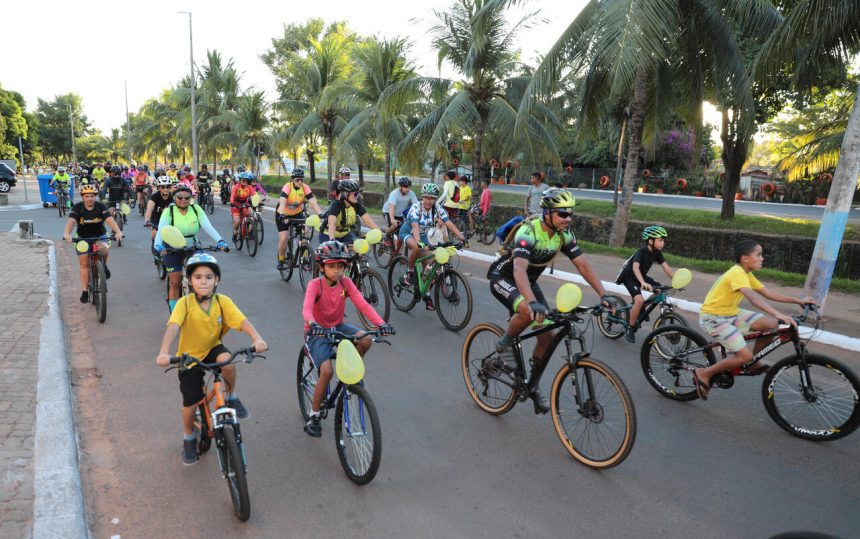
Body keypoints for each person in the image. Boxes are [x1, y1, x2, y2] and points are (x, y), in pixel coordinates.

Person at [487, 189, 612, 414]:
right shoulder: (528, 231)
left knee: (547, 335)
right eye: (562, 214)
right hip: (504, 277)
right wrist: (533, 302)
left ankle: (531, 385)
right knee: (527, 311)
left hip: (528, 281)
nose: (568, 219)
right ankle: (503, 344)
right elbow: (518, 268)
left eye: (570, 214)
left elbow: (583, 265)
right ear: (547, 213)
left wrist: (603, 294)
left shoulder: (564, 235)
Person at [154, 253, 267, 464]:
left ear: (217, 280)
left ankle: (231, 396)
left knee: (228, 361)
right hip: (188, 357)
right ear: (189, 280)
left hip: (212, 347)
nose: (203, 281)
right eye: (198, 277)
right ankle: (188, 437)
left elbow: (241, 320)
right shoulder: (184, 304)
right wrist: (164, 352)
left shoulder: (222, 302)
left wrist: (257, 338)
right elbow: (173, 327)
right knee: (191, 402)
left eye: (208, 277)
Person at [692, 240, 814, 400]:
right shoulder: (737, 273)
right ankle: (704, 373)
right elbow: (754, 299)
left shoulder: (746, 274)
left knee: (771, 325)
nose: (762, 258)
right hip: (714, 318)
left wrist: (799, 301)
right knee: (745, 355)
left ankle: (751, 361)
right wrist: (779, 314)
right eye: (758, 255)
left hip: (731, 313)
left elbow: (768, 293)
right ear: (745, 259)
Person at [302, 241, 394, 437]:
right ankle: (314, 415)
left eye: (341, 266)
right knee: (326, 371)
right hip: (316, 332)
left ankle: (352, 373)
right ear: (321, 266)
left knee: (365, 339)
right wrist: (313, 324)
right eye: (332, 266)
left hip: (338, 327)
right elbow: (307, 309)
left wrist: (381, 324)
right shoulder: (315, 285)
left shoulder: (346, 283)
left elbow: (363, 305)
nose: (337, 271)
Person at [153, 184, 228, 312]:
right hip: (172, 247)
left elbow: (208, 226)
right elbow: (161, 229)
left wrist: (220, 240)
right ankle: (175, 314)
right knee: (174, 282)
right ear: (174, 198)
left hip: (193, 245)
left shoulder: (196, 209)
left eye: (186, 197)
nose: (183, 200)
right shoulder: (169, 211)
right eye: (180, 197)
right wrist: (158, 245)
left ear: (190, 198)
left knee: (203, 273)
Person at [398, 183, 467, 310]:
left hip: (424, 237)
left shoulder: (438, 209)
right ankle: (410, 272)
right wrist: (419, 242)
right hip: (408, 233)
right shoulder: (416, 207)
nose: (429, 201)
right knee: (417, 248)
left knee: (430, 266)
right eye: (426, 197)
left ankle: (427, 295)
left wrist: (461, 237)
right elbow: (414, 226)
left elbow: (448, 223)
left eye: (432, 198)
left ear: (435, 199)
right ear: (422, 197)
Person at [62, 184, 124, 303]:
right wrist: (67, 233)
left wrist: (118, 232)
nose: (89, 199)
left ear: (95, 197)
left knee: (104, 250)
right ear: (82, 197)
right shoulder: (78, 207)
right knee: (84, 264)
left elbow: (109, 220)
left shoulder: (100, 207)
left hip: (100, 236)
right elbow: (71, 221)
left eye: (92, 196)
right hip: (82, 238)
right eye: (87, 196)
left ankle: (103, 267)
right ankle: (85, 291)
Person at [615, 226, 676, 343]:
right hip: (629, 276)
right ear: (650, 241)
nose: (663, 242)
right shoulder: (641, 251)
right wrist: (642, 282)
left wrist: (676, 280)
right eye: (660, 240)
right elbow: (635, 267)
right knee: (639, 300)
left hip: (641, 276)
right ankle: (630, 328)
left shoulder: (657, 253)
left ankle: (641, 308)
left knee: (660, 290)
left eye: (663, 240)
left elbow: (666, 267)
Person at [276, 168, 322, 271]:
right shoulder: (287, 187)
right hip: (283, 214)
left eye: (302, 179)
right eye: (297, 180)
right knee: (284, 238)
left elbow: (312, 202)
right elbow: (282, 201)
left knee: (305, 232)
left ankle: (304, 256)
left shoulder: (305, 187)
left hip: (297, 213)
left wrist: (320, 214)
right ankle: (281, 259)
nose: (300, 182)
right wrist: (282, 214)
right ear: (292, 179)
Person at [322, 179, 380, 244]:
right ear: (345, 194)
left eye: (358, 193)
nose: (357, 196)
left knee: (359, 250)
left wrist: (380, 234)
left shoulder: (356, 205)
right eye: (355, 194)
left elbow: (369, 221)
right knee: (335, 252)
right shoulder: (336, 205)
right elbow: (331, 223)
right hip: (327, 235)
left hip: (345, 235)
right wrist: (332, 240)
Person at [382, 176, 419, 255]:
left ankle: (398, 254)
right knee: (394, 225)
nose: (407, 189)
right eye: (405, 187)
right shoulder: (394, 193)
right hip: (388, 212)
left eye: (408, 187)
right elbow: (391, 206)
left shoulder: (411, 193)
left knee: (402, 233)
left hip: (399, 214)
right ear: (401, 187)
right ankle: (385, 236)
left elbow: (416, 205)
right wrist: (392, 219)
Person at [144, 176, 175, 244]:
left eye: (168, 186)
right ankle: (154, 246)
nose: (165, 189)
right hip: (156, 218)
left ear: (170, 187)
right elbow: (149, 210)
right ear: (159, 188)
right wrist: (147, 221)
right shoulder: (154, 196)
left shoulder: (174, 196)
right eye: (163, 187)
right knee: (154, 234)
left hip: (169, 218)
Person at [229, 172, 256, 241]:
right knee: (237, 221)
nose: (245, 182)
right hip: (235, 206)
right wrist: (232, 203)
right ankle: (235, 233)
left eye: (246, 180)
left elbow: (254, 195)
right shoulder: (236, 187)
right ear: (240, 180)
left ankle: (249, 231)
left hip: (245, 205)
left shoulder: (249, 187)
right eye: (243, 180)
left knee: (252, 215)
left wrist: (257, 201)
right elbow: (232, 195)